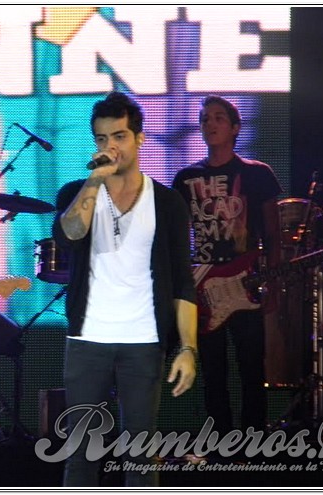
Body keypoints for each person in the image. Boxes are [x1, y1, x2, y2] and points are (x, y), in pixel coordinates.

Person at [53, 92, 198, 487]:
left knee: (140, 455)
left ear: (139, 138)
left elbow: (183, 280)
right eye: (102, 139)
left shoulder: (167, 202)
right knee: (81, 452)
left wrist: (188, 347)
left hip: (143, 341)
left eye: (119, 136)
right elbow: (69, 235)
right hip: (88, 339)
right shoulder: (76, 193)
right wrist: (94, 181)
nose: (111, 146)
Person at [172, 95, 282, 437]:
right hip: (204, 285)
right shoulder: (186, 177)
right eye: (205, 118)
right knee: (213, 371)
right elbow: (178, 237)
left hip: (246, 283)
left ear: (235, 128)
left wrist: (273, 283)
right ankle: (219, 442)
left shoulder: (257, 173)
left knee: (252, 368)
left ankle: (254, 441)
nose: (210, 123)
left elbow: (273, 234)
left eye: (219, 117)